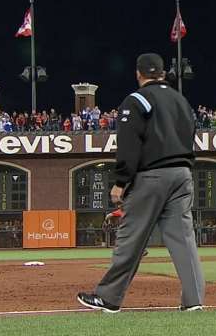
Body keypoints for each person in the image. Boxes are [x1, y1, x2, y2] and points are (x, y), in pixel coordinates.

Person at [77, 53, 204, 313]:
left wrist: (121, 181)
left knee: (131, 237)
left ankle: (109, 298)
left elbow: (129, 144)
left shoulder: (137, 100)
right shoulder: (181, 100)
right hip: (183, 174)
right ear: (163, 73)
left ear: (139, 74)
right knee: (184, 240)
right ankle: (194, 301)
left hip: (152, 175)